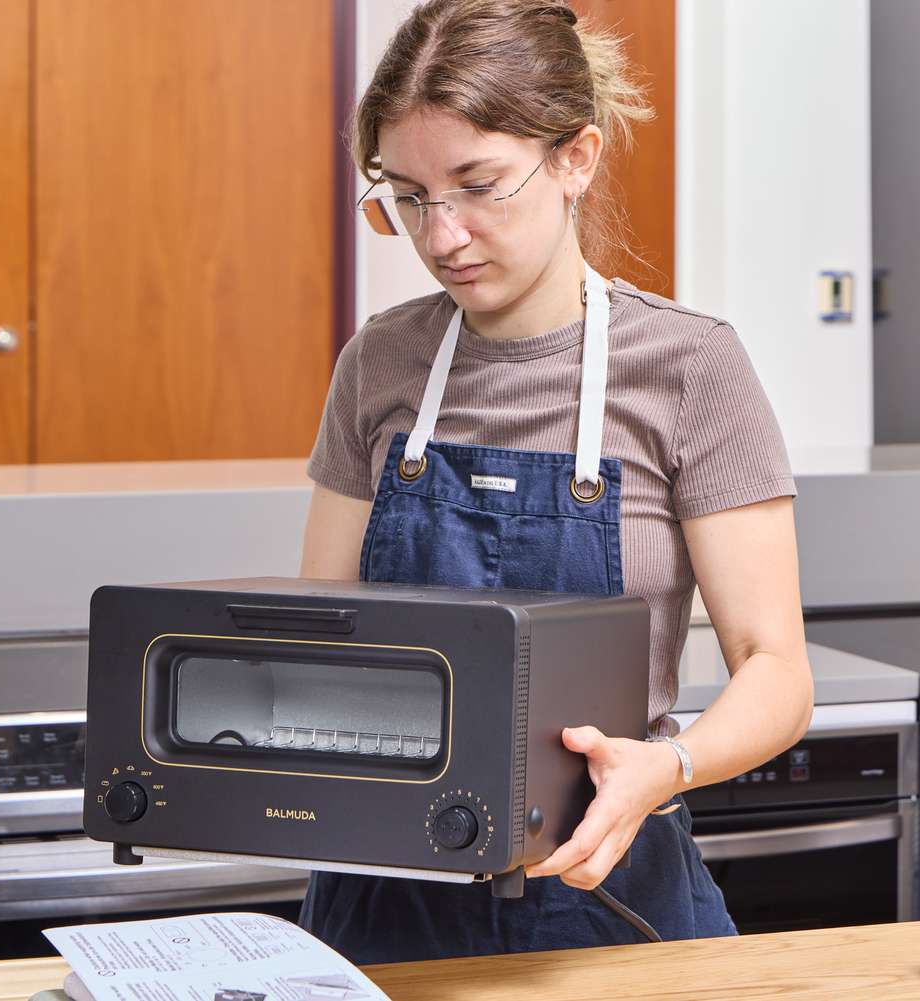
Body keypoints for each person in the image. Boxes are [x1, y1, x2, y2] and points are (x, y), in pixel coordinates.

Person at [296, 0, 813, 965]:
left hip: (602, 889)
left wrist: (666, 765)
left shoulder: (693, 367)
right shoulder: (380, 362)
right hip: (380, 897)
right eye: (408, 196)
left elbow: (777, 672)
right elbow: (326, 630)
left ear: (575, 157)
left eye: (478, 185)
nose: (442, 235)